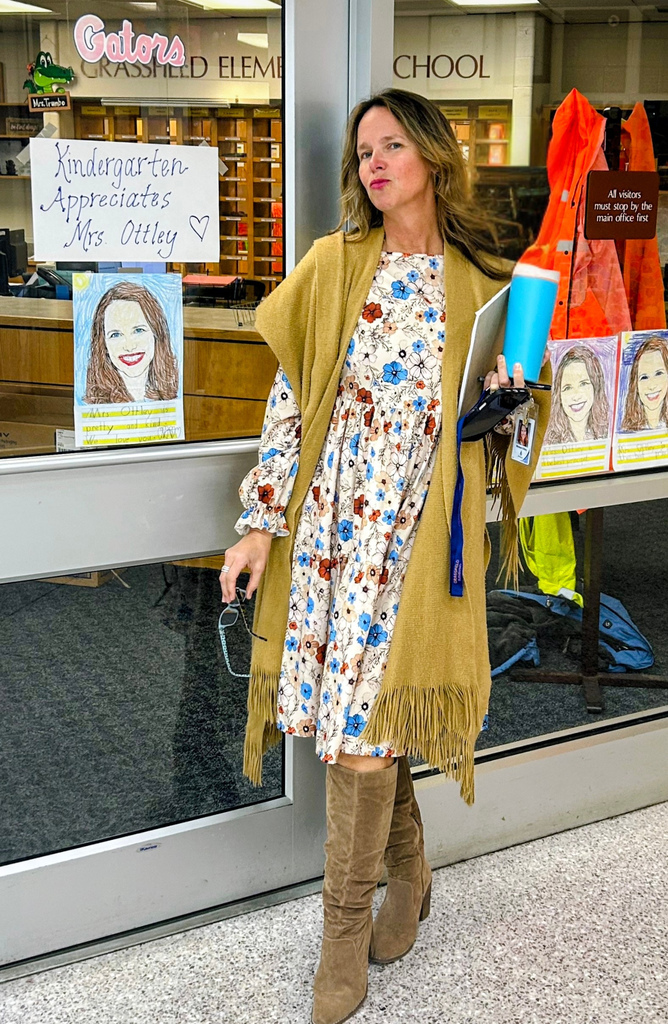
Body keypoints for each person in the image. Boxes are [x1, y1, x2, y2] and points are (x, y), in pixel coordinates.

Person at [220, 89, 550, 1024]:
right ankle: (407, 873)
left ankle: (342, 940)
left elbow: (515, 438)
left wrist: (506, 401)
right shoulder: (336, 265)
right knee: (356, 722)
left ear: (435, 159)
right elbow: (292, 403)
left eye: (392, 144)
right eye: (363, 150)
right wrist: (260, 522)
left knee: (366, 729)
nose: (373, 162)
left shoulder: (489, 282)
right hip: (335, 527)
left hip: (421, 531)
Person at [84, 280, 178, 404]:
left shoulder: (173, 394)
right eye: (116, 335)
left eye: (138, 330)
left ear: (157, 333)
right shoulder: (93, 405)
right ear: (103, 344)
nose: (129, 346)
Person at [544, 344, 610, 444]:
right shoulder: (549, 439)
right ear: (559, 394)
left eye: (583, 384)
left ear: (596, 386)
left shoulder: (606, 432)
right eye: (568, 388)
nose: (575, 395)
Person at [621, 334, 668, 432]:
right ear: (635, 384)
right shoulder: (627, 430)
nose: (651, 386)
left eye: (658, 373)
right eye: (644, 377)